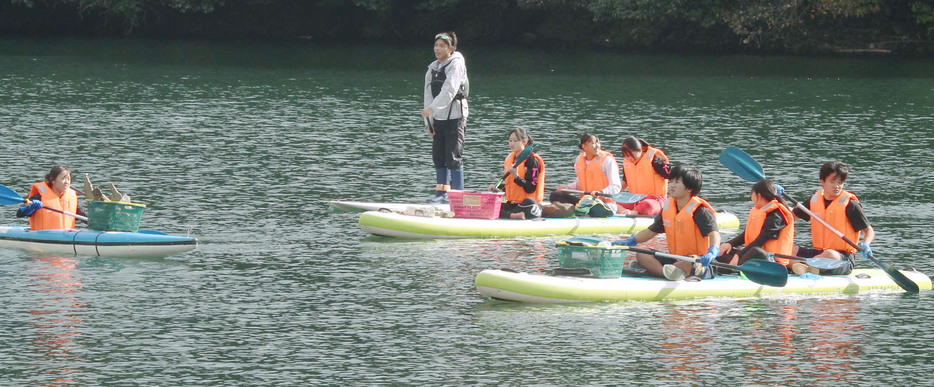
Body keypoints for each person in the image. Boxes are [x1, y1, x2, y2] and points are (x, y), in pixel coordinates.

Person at [611, 165, 721, 281]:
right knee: (642, 254)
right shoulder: (669, 207)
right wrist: (630, 241)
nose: (671, 185)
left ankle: (663, 270)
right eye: (671, 181)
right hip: (675, 258)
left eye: (677, 182)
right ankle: (668, 273)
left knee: (687, 263)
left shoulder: (700, 211)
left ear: (689, 188)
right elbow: (651, 231)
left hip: (699, 261)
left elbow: (714, 234)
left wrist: (713, 252)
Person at [791, 161, 871, 275]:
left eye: (840, 182)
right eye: (832, 182)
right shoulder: (813, 201)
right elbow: (791, 217)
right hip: (819, 253)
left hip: (842, 259)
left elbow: (869, 231)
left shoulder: (850, 205)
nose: (836, 186)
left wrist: (866, 244)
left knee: (830, 254)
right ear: (822, 182)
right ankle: (803, 266)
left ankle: (799, 266)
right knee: (789, 248)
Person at [717, 179, 806, 273]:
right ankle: (731, 266)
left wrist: (739, 255)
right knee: (721, 250)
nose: (752, 199)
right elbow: (746, 234)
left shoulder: (777, 216)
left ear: (758, 196)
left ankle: (729, 269)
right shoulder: (761, 211)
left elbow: (760, 240)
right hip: (754, 257)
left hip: (772, 261)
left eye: (752, 195)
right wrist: (729, 244)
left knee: (756, 251)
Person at [423, 31, 469, 204]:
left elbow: (449, 90)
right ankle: (442, 196)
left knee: (453, 157)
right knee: (439, 157)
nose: (437, 49)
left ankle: (458, 197)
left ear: (451, 48)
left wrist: (432, 108)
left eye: (442, 45)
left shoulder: (456, 64)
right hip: (438, 119)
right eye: (436, 45)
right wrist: (428, 121)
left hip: (456, 116)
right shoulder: (432, 68)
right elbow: (427, 94)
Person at [550, 133, 621, 218]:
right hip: (585, 203)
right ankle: (579, 211)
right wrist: (567, 188)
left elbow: (616, 186)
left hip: (605, 205)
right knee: (555, 195)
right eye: (594, 143)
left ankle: (578, 211)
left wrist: (601, 192)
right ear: (584, 147)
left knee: (593, 207)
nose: (597, 145)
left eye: (598, 142)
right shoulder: (579, 160)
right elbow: (579, 183)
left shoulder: (607, 160)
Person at [489, 128, 545, 219]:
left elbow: (531, 188)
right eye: (510, 140)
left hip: (528, 204)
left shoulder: (532, 161)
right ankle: (512, 215)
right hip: (513, 203)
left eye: (515, 141)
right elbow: (511, 186)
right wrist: (498, 189)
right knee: (492, 203)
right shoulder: (511, 158)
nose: (512, 143)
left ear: (525, 142)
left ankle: (510, 215)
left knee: (530, 202)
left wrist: (517, 177)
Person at [16, 166, 85, 230]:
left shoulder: (71, 198)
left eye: (68, 179)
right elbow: (19, 213)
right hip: (43, 238)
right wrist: (31, 207)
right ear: (52, 180)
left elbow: (84, 217)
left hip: (67, 237)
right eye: (63, 178)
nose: (67, 182)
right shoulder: (39, 197)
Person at [618, 136, 671, 216]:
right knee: (611, 202)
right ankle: (627, 212)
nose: (629, 159)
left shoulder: (655, 160)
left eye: (631, 155)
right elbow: (625, 183)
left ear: (640, 150)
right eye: (626, 156)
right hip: (634, 199)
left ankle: (633, 212)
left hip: (656, 200)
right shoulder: (627, 163)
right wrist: (613, 192)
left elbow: (671, 176)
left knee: (647, 205)